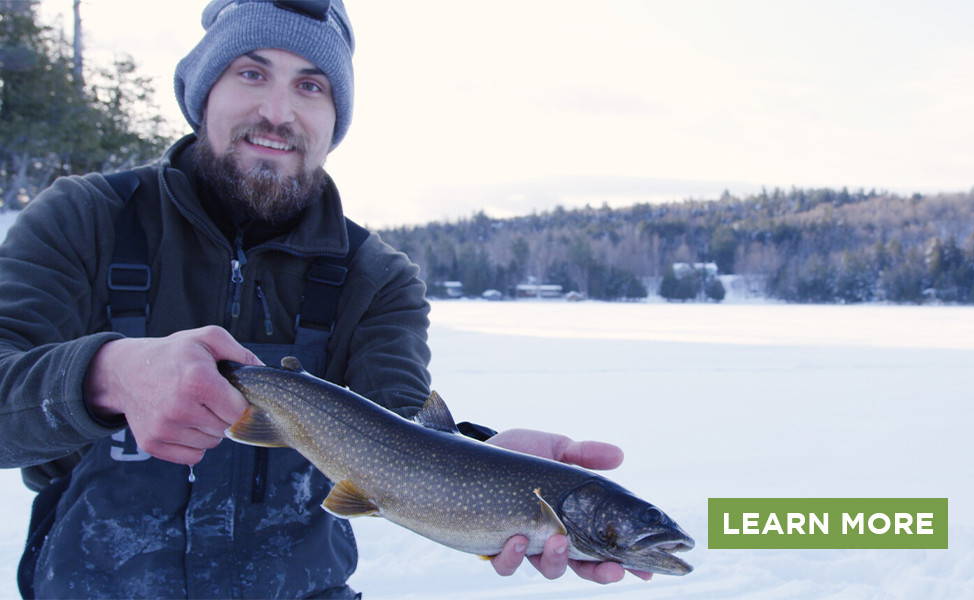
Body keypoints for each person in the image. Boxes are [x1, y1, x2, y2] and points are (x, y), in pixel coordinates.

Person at [0, 1, 640, 597]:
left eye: (311, 86)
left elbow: (402, 430)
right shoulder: (85, 221)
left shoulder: (376, 276)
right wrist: (106, 377)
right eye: (252, 73)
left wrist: (490, 467)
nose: (278, 113)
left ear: (336, 119)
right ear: (202, 94)